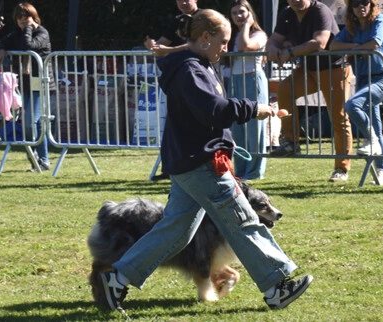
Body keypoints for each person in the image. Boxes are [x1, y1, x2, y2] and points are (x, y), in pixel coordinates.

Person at [98, 9, 313, 313]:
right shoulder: (190, 70)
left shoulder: (193, 64)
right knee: (242, 221)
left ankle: (117, 279)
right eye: (222, 41)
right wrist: (254, 109)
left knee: (175, 230)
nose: (226, 48)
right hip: (202, 161)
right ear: (205, 37)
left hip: (191, 160)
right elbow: (212, 110)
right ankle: (276, 285)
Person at [266, 0, 354, 182]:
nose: (297, 1)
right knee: (284, 89)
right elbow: (273, 40)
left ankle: (341, 169)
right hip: (308, 69)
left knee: (338, 117)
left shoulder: (320, 11)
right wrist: (273, 49)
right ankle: (291, 142)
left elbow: (320, 43)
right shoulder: (287, 14)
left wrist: (290, 51)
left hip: (334, 69)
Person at [330, 0, 383, 186]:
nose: (360, 6)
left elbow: (374, 44)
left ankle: (372, 141)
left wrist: (352, 49)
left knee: (352, 105)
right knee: (374, 125)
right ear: (351, 9)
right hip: (364, 79)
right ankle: (382, 172)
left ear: (371, 4)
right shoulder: (352, 28)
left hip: (381, 78)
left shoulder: (379, 20)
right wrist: (356, 49)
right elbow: (333, 46)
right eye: (356, 3)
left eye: (364, 2)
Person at [0, 2, 55, 171]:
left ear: (33, 17)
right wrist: (2, 49)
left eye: (25, 16)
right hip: (26, 85)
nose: (22, 19)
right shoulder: (16, 34)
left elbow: (29, 46)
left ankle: (36, 157)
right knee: (36, 124)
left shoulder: (42, 33)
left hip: (42, 85)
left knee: (30, 123)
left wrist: (29, 28)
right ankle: (42, 161)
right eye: (19, 16)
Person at [144, 0, 201, 181]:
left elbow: (197, 44)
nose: (183, 3)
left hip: (196, 75)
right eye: (179, 0)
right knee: (173, 123)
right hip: (177, 77)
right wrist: (151, 46)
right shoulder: (178, 20)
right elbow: (161, 45)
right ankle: (170, 168)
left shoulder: (204, 18)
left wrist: (168, 50)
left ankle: (193, 167)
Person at [227, 0, 269, 181]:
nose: (238, 16)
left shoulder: (259, 34)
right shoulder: (231, 35)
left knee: (254, 127)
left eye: (242, 12)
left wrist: (247, 25)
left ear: (250, 13)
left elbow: (245, 47)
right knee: (237, 127)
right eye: (234, 13)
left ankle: (254, 171)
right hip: (235, 81)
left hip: (253, 79)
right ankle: (241, 170)